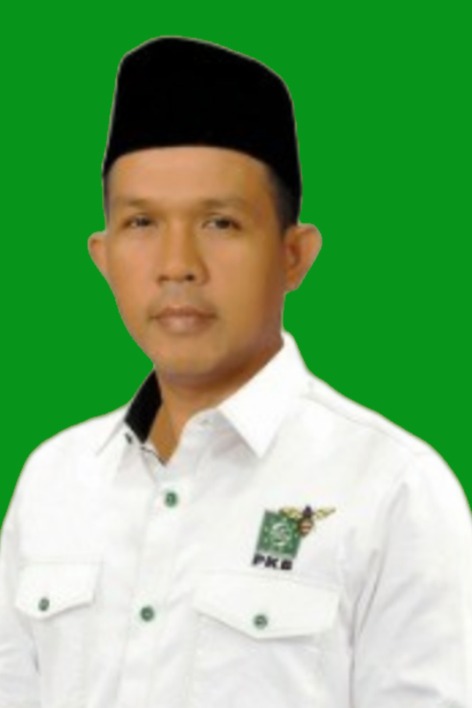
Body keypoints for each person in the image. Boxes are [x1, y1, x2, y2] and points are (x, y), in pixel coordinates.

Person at [0, 36, 470, 708]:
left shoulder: (393, 489)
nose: (177, 264)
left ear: (294, 254)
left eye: (220, 222)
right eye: (141, 222)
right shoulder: (53, 481)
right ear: (103, 256)